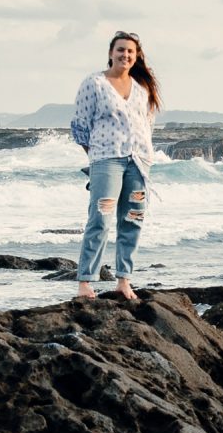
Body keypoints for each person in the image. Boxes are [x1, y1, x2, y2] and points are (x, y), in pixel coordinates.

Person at [68, 31, 159, 300]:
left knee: (133, 220)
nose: (125, 55)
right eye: (120, 50)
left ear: (136, 56)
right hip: (106, 159)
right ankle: (85, 283)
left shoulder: (142, 89)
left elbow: (146, 125)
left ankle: (124, 281)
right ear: (111, 53)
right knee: (100, 219)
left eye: (130, 51)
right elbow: (80, 126)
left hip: (138, 162)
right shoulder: (94, 83)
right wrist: (95, 154)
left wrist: (145, 155)